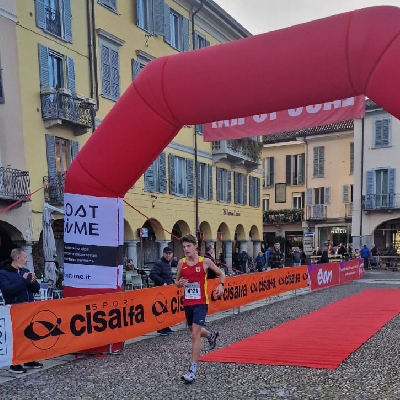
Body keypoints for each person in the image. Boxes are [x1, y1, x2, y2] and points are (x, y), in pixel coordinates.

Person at [175, 234, 225, 384]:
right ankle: (210, 335)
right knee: (193, 330)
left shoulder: (205, 262)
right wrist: (179, 284)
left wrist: (221, 285)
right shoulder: (181, 263)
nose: (186, 249)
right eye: (184, 247)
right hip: (188, 303)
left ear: (195, 246)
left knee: (194, 335)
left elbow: (221, 273)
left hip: (201, 303)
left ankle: (192, 371)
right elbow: (176, 282)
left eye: (188, 246)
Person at [0, 248, 43, 373]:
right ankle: (15, 364)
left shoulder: (25, 271)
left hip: (28, 308)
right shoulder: (3, 273)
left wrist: (33, 282)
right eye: (25, 257)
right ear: (17, 258)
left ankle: (29, 359)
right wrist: (23, 280)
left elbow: (36, 289)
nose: (27, 260)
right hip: (15, 309)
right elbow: (8, 290)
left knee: (30, 335)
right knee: (17, 337)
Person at [149, 246, 174, 336]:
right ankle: (161, 329)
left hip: (167, 290)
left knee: (166, 309)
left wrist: (172, 282)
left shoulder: (168, 263)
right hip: (160, 291)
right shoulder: (159, 263)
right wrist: (162, 282)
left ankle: (166, 327)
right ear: (163, 254)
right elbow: (152, 274)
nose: (168, 255)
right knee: (161, 310)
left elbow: (167, 275)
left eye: (169, 253)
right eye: (166, 253)